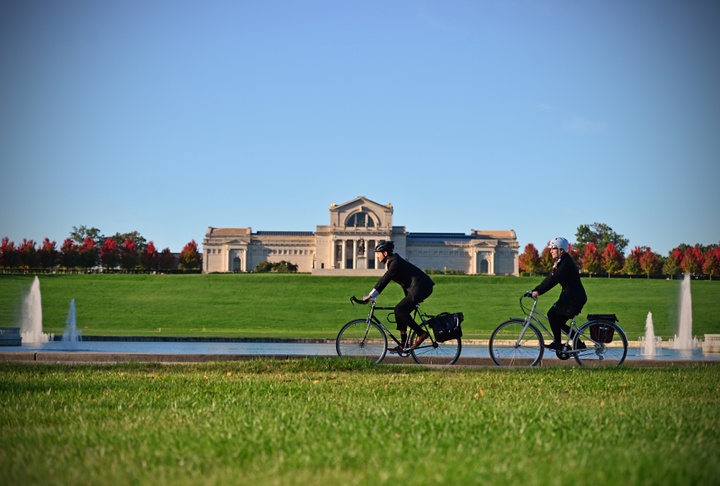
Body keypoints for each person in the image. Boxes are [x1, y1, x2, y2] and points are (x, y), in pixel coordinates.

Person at [362, 240, 435, 352]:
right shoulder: (393, 261)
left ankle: (421, 333)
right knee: (399, 311)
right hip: (417, 289)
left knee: (400, 309)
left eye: (378, 254)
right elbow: (405, 282)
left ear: (385, 253)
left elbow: (385, 279)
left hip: (422, 287)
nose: (377, 257)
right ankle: (403, 344)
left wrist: (371, 295)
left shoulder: (395, 262)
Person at [531, 237, 588, 351]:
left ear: (561, 250)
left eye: (553, 248)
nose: (550, 251)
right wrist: (535, 290)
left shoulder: (566, 263)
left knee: (552, 315)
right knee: (558, 322)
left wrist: (539, 292)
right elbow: (550, 278)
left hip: (574, 299)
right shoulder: (561, 261)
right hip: (571, 297)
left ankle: (558, 343)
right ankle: (578, 343)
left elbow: (554, 279)